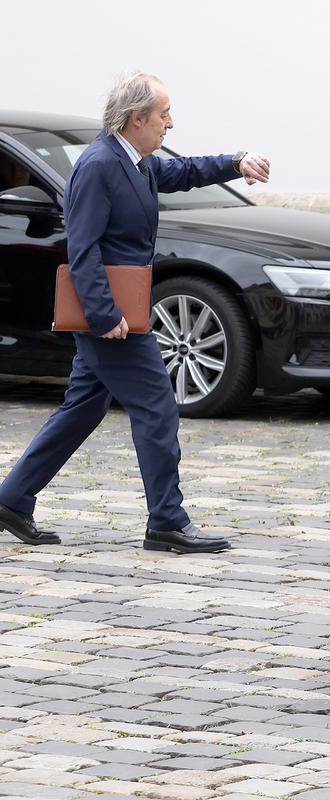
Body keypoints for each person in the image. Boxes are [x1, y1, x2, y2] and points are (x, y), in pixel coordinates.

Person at [0, 72, 268, 553]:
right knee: (158, 405)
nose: (170, 123)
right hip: (114, 318)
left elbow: (183, 172)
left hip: (122, 309)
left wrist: (235, 162)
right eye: (163, 114)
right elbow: (81, 249)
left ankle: (12, 497)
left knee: (82, 409)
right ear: (136, 118)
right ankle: (166, 520)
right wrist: (104, 316)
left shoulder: (137, 161)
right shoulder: (99, 165)